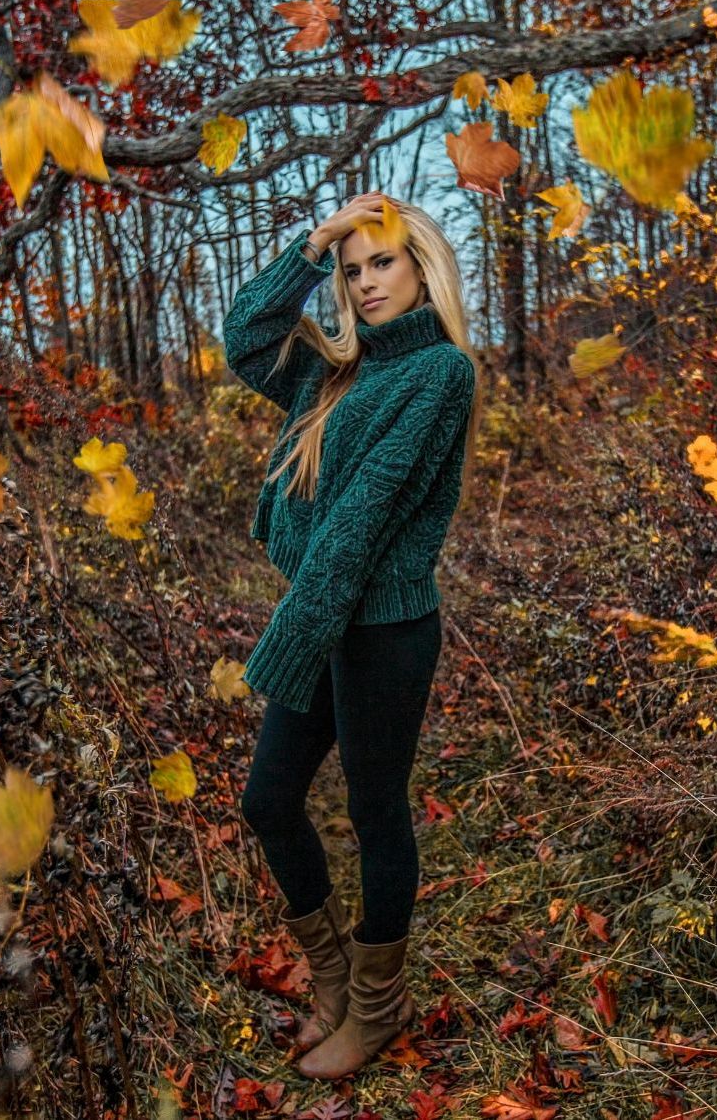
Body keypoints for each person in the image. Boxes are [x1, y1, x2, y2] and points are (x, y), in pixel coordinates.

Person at [223, 192, 482, 1079]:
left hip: (385, 631)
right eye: (353, 268)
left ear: (422, 271)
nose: (366, 282)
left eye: (383, 262)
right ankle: (333, 982)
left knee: (375, 813)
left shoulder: (441, 375)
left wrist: (291, 640)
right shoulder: (331, 369)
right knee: (268, 801)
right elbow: (246, 337)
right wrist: (314, 244)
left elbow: (360, 524)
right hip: (325, 617)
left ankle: (377, 1007)